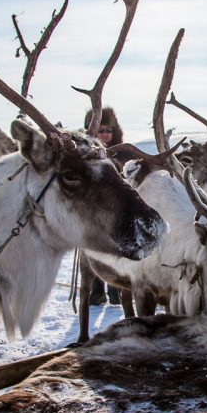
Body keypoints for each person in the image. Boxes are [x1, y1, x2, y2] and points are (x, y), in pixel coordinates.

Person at [83, 106, 123, 306]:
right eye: (102, 130)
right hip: (90, 212)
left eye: (109, 130)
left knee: (113, 251)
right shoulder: (83, 155)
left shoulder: (124, 153)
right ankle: (96, 292)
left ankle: (115, 290)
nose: (106, 134)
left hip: (115, 214)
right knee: (91, 250)